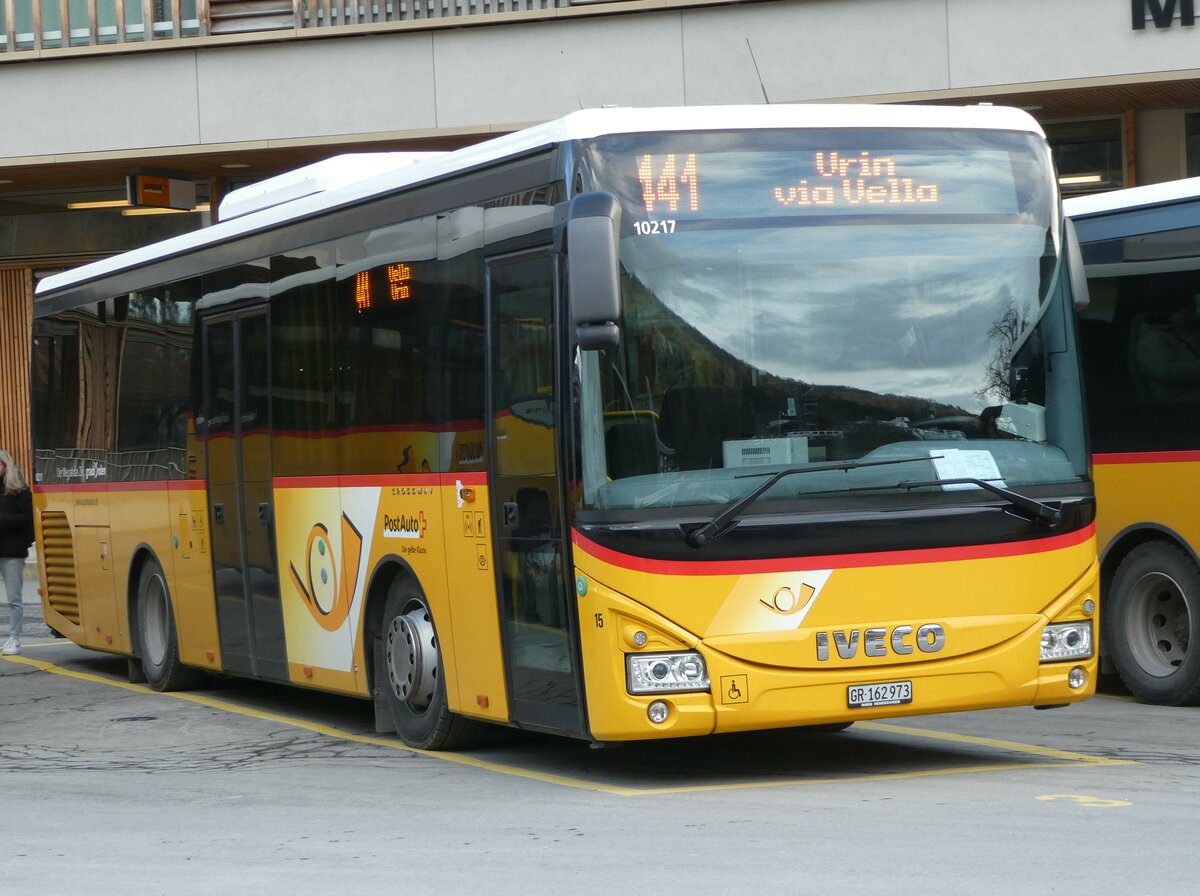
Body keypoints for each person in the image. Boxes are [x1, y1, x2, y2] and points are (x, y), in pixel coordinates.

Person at [1134, 296, 1200, 403]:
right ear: (1167, 313)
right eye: (1186, 313)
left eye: (1192, 312)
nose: (1192, 316)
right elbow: (1168, 372)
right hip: (1179, 400)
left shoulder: (1185, 332)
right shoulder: (1152, 339)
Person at [0, 449, 34, 656]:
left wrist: (2, 520)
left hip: (12, 551)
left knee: (14, 598)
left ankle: (15, 638)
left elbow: (27, 519)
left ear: (4, 465)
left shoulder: (17, 489)